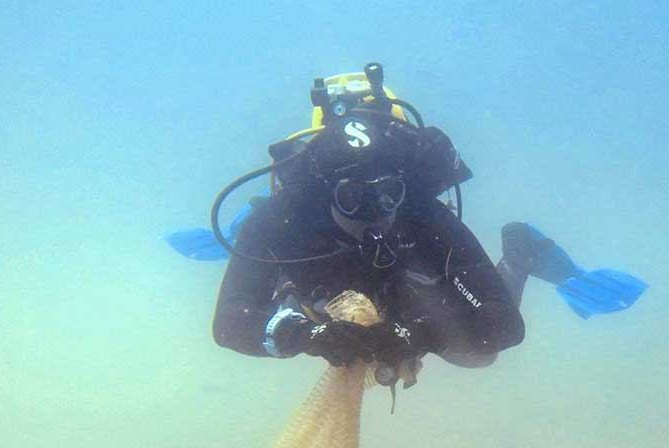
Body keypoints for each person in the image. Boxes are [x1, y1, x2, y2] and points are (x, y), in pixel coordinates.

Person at [209, 64, 645, 378]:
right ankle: (279, 279)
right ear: (322, 192)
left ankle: (520, 251)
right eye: (352, 197)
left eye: (388, 193)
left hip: (406, 285)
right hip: (316, 295)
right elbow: (229, 322)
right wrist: (307, 335)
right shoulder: (283, 218)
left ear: (403, 185)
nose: (376, 211)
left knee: (477, 356)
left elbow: (504, 323)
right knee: (286, 300)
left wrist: (419, 335)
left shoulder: (420, 214)